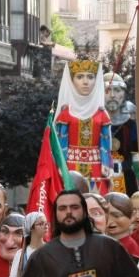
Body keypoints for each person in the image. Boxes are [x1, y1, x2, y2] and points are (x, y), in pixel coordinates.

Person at [54, 59, 112, 193]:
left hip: (97, 169)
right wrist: (60, 165)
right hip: (69, 167)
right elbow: (60, 144)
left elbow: (105, 143)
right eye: (80, 77)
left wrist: (106, 163)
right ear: (71, 80)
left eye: (90, 77)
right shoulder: (65, 113)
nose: (85, 82)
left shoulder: (102, 114)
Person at [104, 72, 139, 194]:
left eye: (117, 90)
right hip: (100, 175)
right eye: (107, 91)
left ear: (123, 93)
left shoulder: (131, 115)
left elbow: (136, 151)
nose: (112, 95)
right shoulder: (92, 117)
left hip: (126, 174)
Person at [104, 192, 139, 259]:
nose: (109, 221)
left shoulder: (130, 247)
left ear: (132, 216)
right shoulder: (103, 242)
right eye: (106, 216)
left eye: (116, 216)